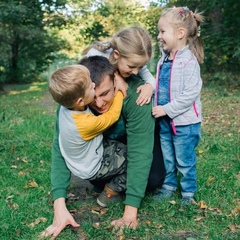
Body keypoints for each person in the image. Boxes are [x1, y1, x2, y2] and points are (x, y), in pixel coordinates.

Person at [41, 54, 165, 238]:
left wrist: (130, 214)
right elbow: (60, 148)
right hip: (103, 152)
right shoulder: (74, 99)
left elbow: (140, 153)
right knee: (98, 180)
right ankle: (109, 183)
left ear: (115, 79)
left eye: (105, 93)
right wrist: (59, 205)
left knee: (153, 178)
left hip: (137, 140)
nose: (99, 103)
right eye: (94, 97)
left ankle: (114, 186)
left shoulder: (136, 96)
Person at [48, 63, 128, 208]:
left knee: (119, 146)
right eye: (91, 87)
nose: (93, 84)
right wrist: (120, 91)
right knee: (134, 158)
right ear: (80, 101)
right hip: (94, 165)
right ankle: (111, 191)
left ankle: (100, 183)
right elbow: (113, 115)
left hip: (84, 159)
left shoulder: (65, 108)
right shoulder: (84, 123)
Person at [152, 6, 204, 205]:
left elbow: (190, 94)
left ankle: (188, 192)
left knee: (184, 159)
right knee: (168, 157)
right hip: (165, 120)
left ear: (180, 33)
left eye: (162, 31)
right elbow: (161, 85)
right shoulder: (164, 59)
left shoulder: (189, 61)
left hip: (184, 123)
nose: (159, 36)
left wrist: (166, 109)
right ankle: (169, 185)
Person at [83, 26, 156, 106]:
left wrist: (149, 87)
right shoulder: (96, 55)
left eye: (141, 67)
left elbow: (151, 79)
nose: (136, 72)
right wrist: (116, 77)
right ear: (117, 54)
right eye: (131, 67)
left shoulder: (135, 63)